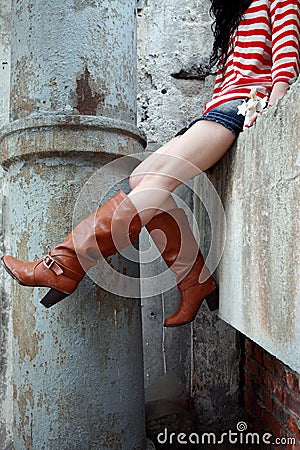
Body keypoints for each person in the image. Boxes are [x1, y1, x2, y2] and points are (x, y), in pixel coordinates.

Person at [2, 0, 299, 327]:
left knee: (155, 185)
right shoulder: (238, 9)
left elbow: (286, 54)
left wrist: (273, 106)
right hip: (217, 111)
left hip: (241, 108)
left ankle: (61, 264)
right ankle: (194, 281)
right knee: (141, 178)